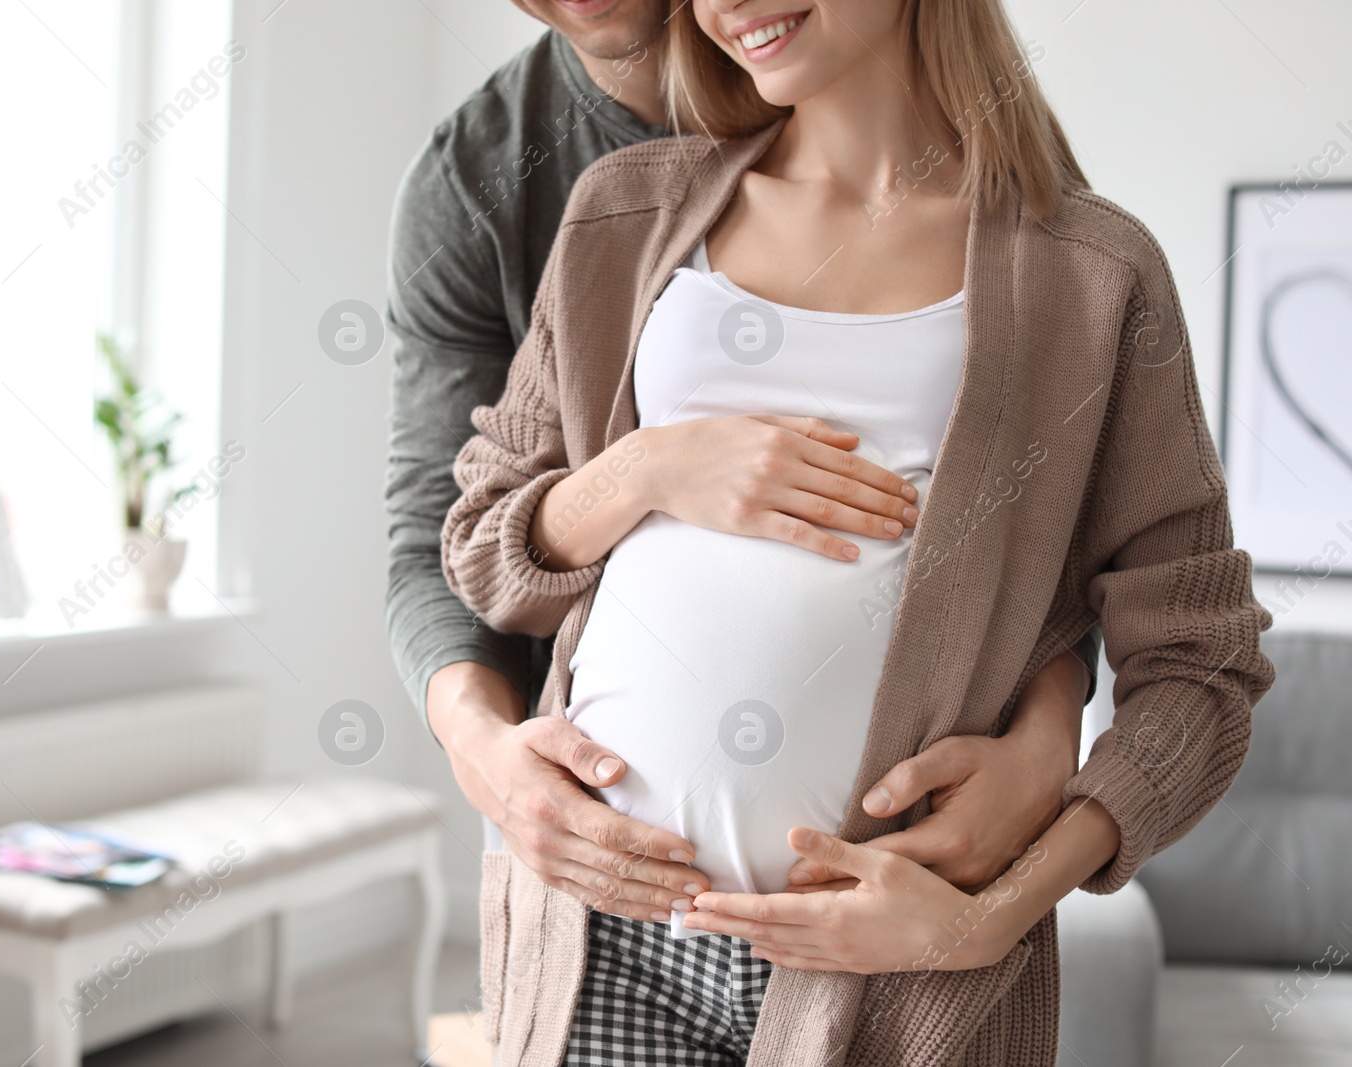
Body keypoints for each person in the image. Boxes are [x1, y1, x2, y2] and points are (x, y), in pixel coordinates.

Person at [438, 0, 1274, 1063]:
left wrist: (994, 912)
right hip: (605, 934)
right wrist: (651, 467)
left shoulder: (1091, 270)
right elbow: (481, 537)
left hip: (892, 979)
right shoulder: (623, 214)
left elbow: (1201, 661)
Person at [384, 0, 1098, 943]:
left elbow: (1042, 520)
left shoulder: (1018, 221)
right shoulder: (491, 180)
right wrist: (488, 758)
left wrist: (1048, 739)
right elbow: (442, 534)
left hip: (872, 906)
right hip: (586, 854)